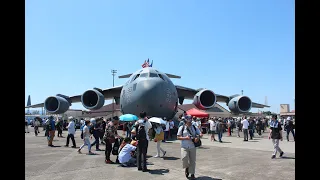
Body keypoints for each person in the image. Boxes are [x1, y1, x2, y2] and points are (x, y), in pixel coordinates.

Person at [177, 115, 201, 180]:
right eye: (188, 121)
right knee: (184, 158)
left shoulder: (194, 127)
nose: (190, 122)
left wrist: (197, 138)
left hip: (192, 146)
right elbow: (178, 137)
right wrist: (185, 138)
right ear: (185, 121)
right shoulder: (181, 128)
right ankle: (187, 168)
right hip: (184, 146)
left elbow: (200, 134)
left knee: (193, 160)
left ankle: (192, 173)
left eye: (190, 121)